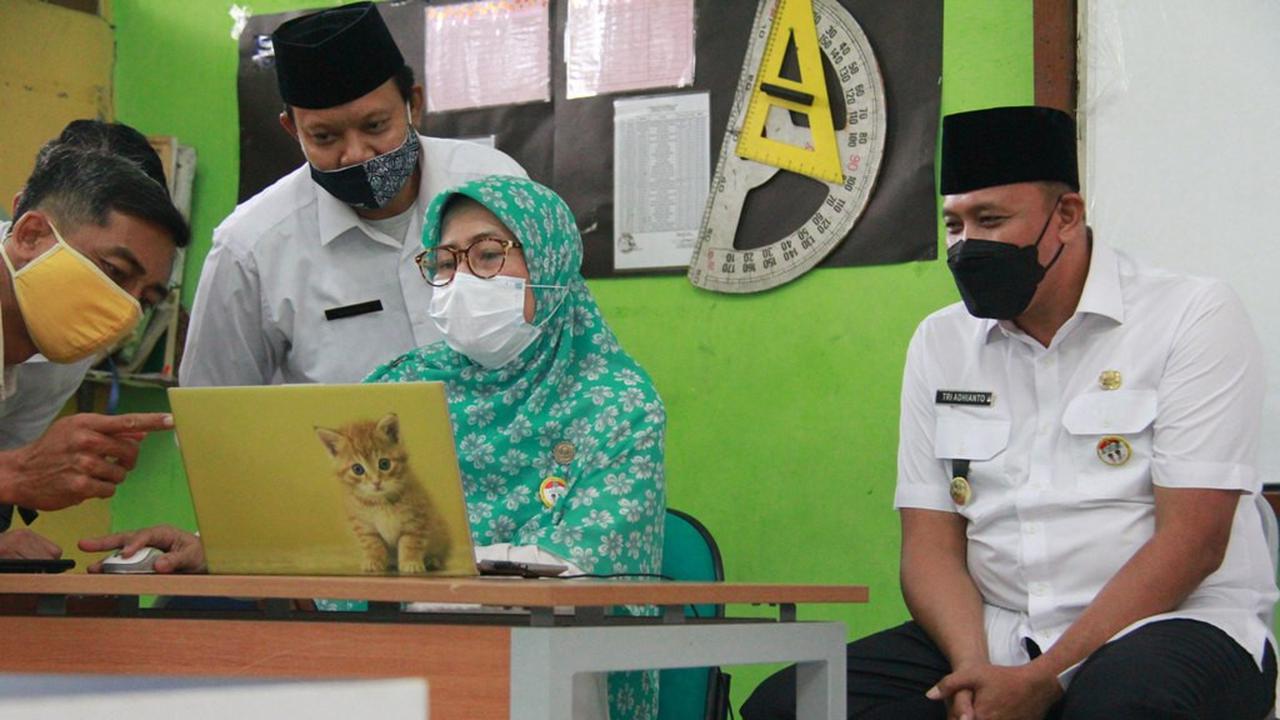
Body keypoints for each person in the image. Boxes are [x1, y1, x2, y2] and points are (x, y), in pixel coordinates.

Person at [742, 106, 1277, 720]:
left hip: (1172, 625)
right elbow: (929, 545)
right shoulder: (941, 342)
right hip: (1000, 633)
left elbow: (1193, 541)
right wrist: (975, 671)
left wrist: (1047, 676)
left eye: (990, 220)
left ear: (1066, 217)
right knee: (791, 706)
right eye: (955, 224)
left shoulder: (1190, 315)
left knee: (1120, 704)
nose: (968, 244)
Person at [366, 174, 666, 719]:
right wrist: (217, 545)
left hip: (549, 666)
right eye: (444, 262)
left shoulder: (615, 401)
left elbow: (587, 566)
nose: (460, 279)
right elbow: (330, 522)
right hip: (395, 656)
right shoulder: (404, 389)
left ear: (549, 264)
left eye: (486, 255)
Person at [180, 0, 526, 388]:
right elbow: (216, 416)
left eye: (376, 126)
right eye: (324, 137)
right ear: (293, 131)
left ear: (414, 104)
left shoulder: (493, 184)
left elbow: (561, 320)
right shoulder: (249, 248)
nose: (356, 154)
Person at [0, 134, 189, 560]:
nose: (124, 311)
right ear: (30, 234)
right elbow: (14, 470)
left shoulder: (70, 331)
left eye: (145, 299)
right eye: (115, 271)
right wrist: (16, 472)